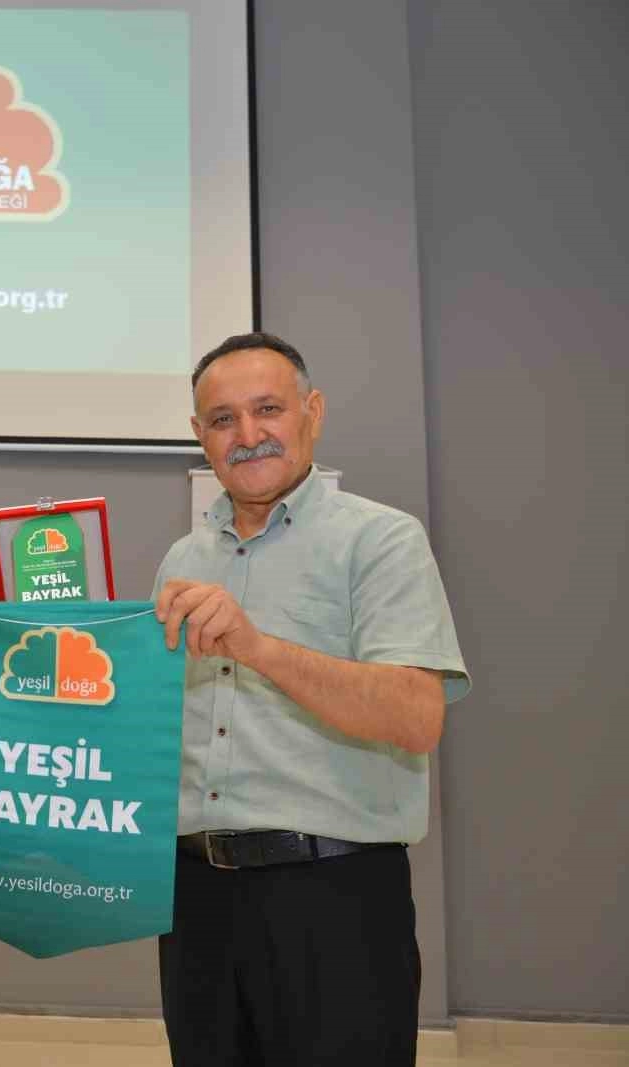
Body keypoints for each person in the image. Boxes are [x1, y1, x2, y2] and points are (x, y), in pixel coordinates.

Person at [152, 331, 469, 1066]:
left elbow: (416, 716)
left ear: (313, 412)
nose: (247, 434)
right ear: (199, 434)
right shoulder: (183, 559)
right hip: (195, 901)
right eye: (223, 419)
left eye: (268, 409)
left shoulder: (381, 541)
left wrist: (257, 646)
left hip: (334, 899)